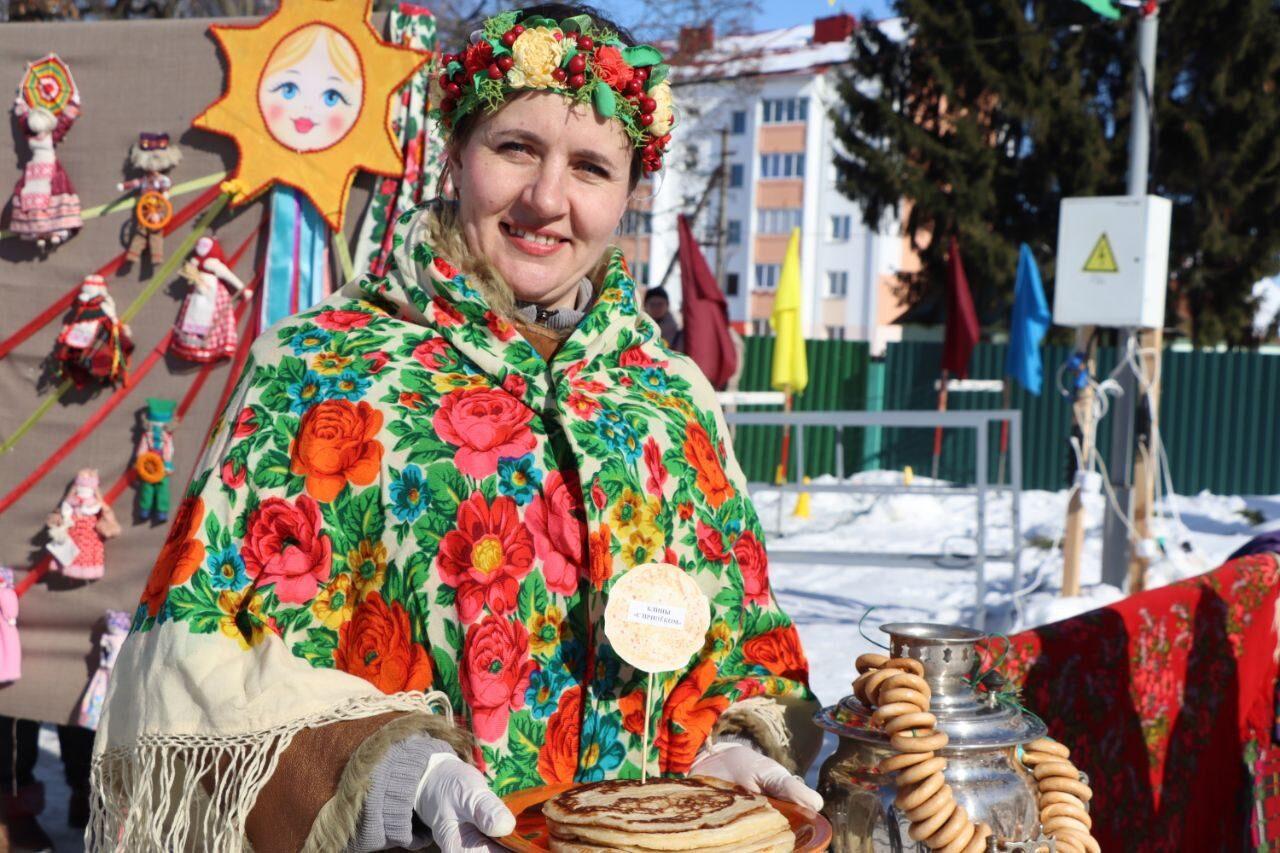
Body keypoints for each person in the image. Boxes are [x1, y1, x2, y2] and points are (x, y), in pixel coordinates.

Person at [91, 6, 822, 852]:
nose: (546, 198)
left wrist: (730, 739)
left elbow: (740, 637)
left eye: (590, 167)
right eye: (516, 148)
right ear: (457, 153)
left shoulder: (672, 398)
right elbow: (192, 647)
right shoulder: (315, 368)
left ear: (629, 193)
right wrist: (386, 772)